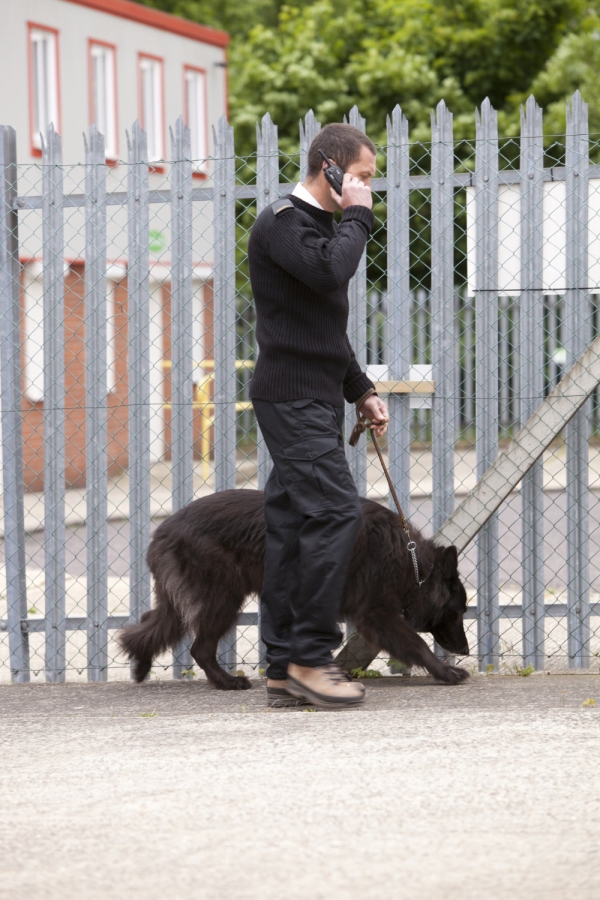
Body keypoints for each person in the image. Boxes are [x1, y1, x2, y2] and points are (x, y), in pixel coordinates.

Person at [248, 123, 389, 710]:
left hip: (315, 396)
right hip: (293, 399)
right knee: (335, 512)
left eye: (370, 183)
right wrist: (358, 216)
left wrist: (360, 389)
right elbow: (334, 272)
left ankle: (282, 664)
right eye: (361, 177)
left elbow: (323, 328)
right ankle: (311, 657)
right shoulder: (282, 221)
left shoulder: (318, 229)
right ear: (329, 166)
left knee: (290, 525)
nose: (367, 191)